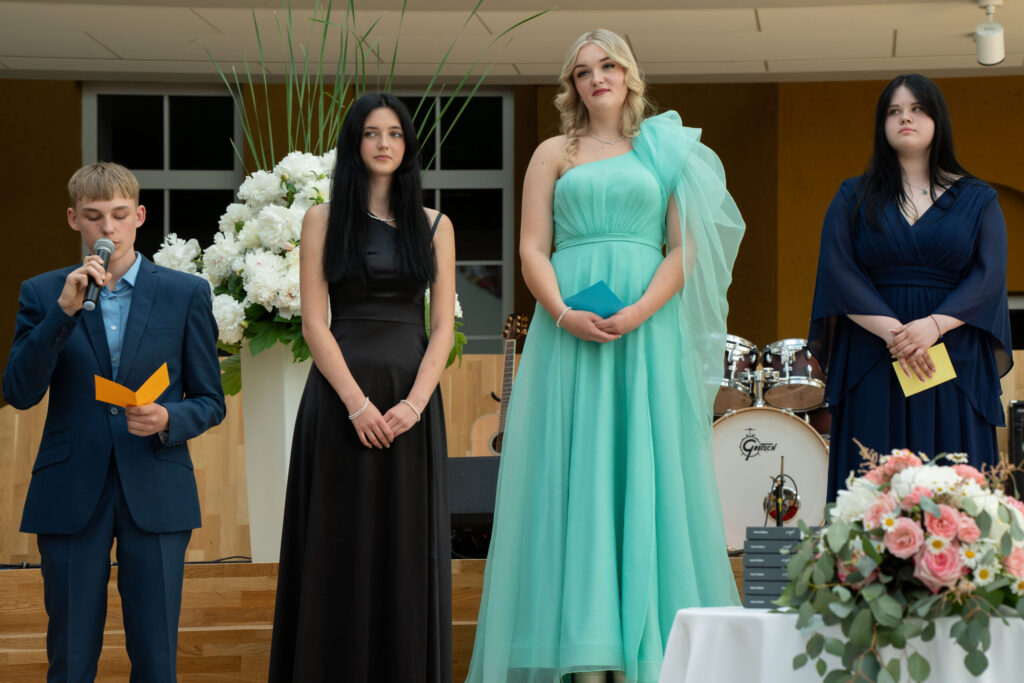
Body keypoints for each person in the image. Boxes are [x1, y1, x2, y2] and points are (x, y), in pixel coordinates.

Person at [466, 29, 744, 683]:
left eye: (609, 65)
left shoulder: (663, 150)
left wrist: (641, 311)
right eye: (584, 70)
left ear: (629, 75)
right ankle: (583, 650)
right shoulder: (551, 154)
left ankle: (646, 649)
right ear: (573, 86)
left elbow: (684, 247)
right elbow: (532, 248)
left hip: (645, 332)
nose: (597, 77)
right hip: (565, 331)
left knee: (643, 467)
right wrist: (562, 313)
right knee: (574, 471)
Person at [1, 162, 226, 682]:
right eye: (94, 216)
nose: (108, 228)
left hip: (156, 481)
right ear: (73, 219)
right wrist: (62, 314)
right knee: (71, 657)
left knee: (156, 658)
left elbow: (210, 399)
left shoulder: (186, 293)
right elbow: (19, 391)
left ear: (140, 216)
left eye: (120, 215)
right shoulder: (44, 293)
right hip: (69, 486)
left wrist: (169, 415)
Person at [268, 93, 456, 683]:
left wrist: (413, 405)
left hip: (410, 402)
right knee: (336, 541)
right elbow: (314, 323)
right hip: (339, 400)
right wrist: (357, 405)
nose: (383, 143)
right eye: (372, 133)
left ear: (408, 146)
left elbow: (443, 327)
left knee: (408, 544)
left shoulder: (436, 225)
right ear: (354, 143)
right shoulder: (322, 220)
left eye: (395, 134)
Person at [808, 73, 1013, 501]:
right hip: (873, 353)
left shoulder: (980, 199)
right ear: (882, 124)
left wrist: (933, 327)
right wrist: (898, 336)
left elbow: (989, 276)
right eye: (894, 111)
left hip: (953, 355)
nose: (905, 118)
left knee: (954, 490)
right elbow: (838, 272)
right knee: (870, 486)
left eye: (917, 108)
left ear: (938, 119)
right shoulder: (852, 196)